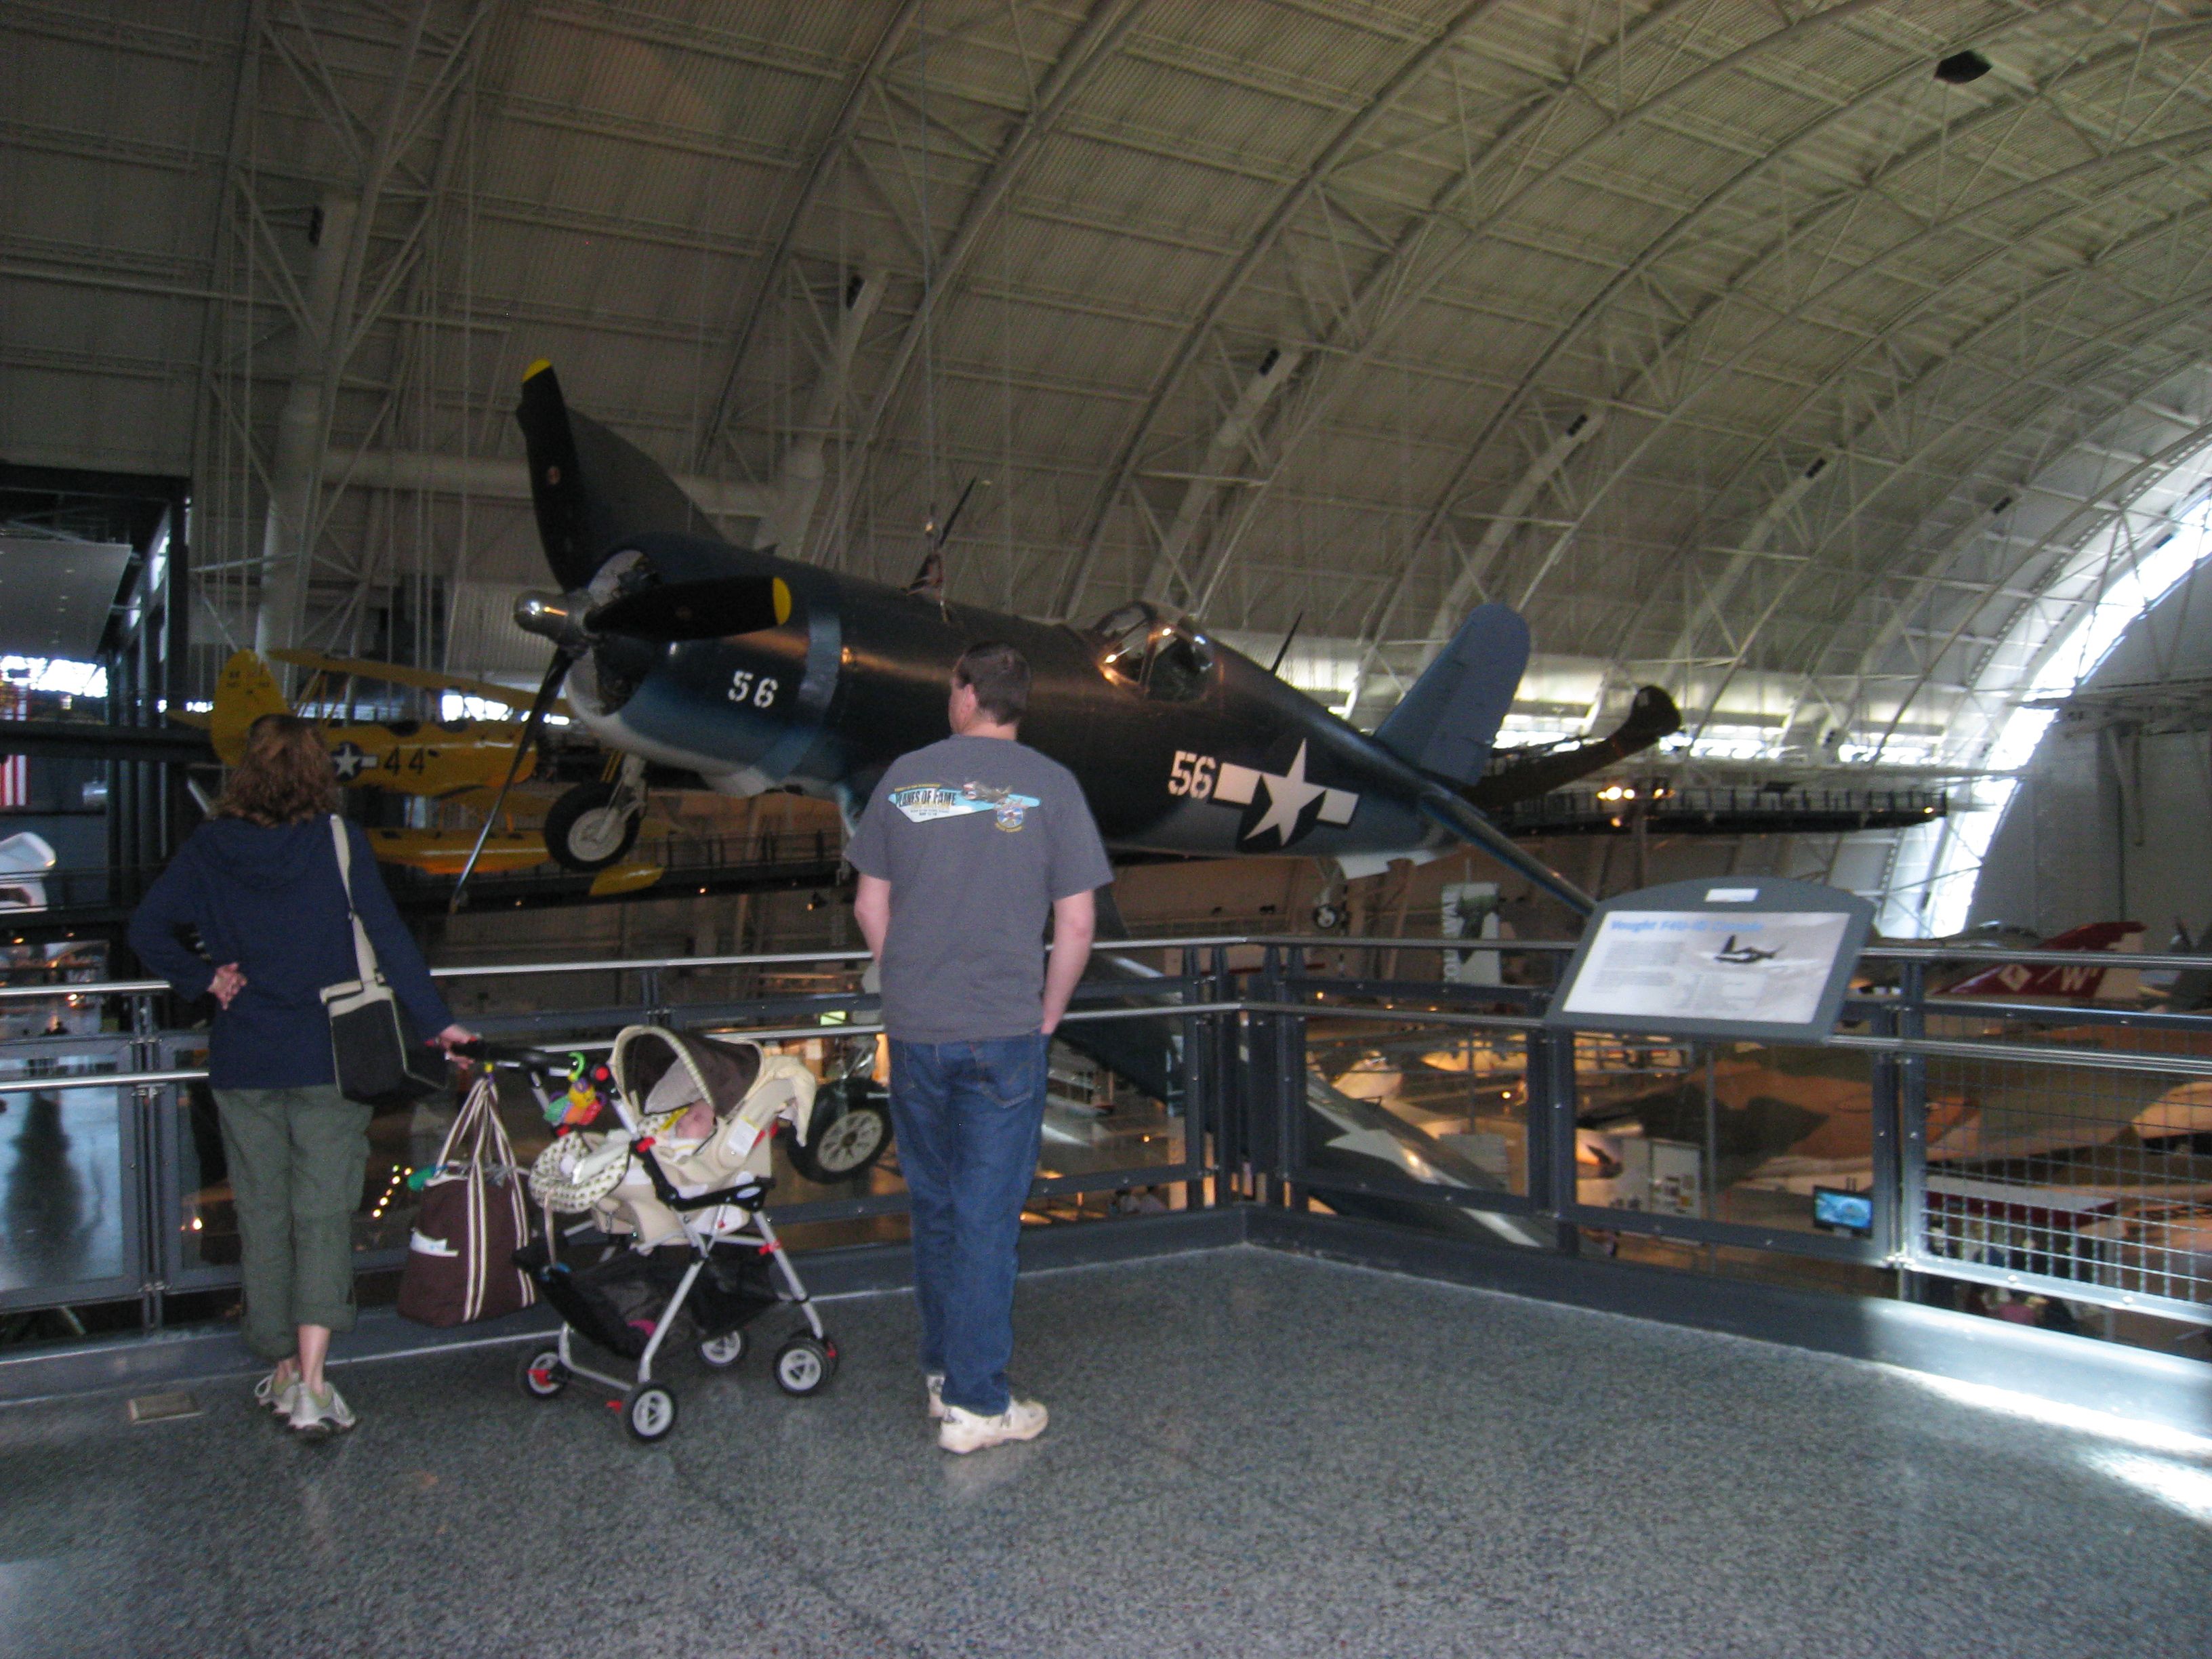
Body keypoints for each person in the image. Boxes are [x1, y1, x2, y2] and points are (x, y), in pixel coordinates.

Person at [129, 713, 470, 1439]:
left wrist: (204, 979)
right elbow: (388, 939)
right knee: (320, 1213)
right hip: (332, 1057)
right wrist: (437, 1021)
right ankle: (311, 1385)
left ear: (244, 772)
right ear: (320, 773)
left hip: (245, 1056)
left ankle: (280, 1364)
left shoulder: (210, 846)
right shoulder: (338, 844)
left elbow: (146, 930)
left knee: (262, 1211)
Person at [847, 641, 1111, 1454]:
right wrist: (1049, 1011)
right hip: (1003, 1031)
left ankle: (942, 1375)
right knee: (987, 1219)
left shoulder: (905, 775)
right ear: (1017, 705)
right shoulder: (1055, 787)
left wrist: (913, 981)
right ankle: (978, 1404)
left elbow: (868, 906)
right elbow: (1076, 924)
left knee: (935, 1207)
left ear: (965, 694)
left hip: (918, 1032)